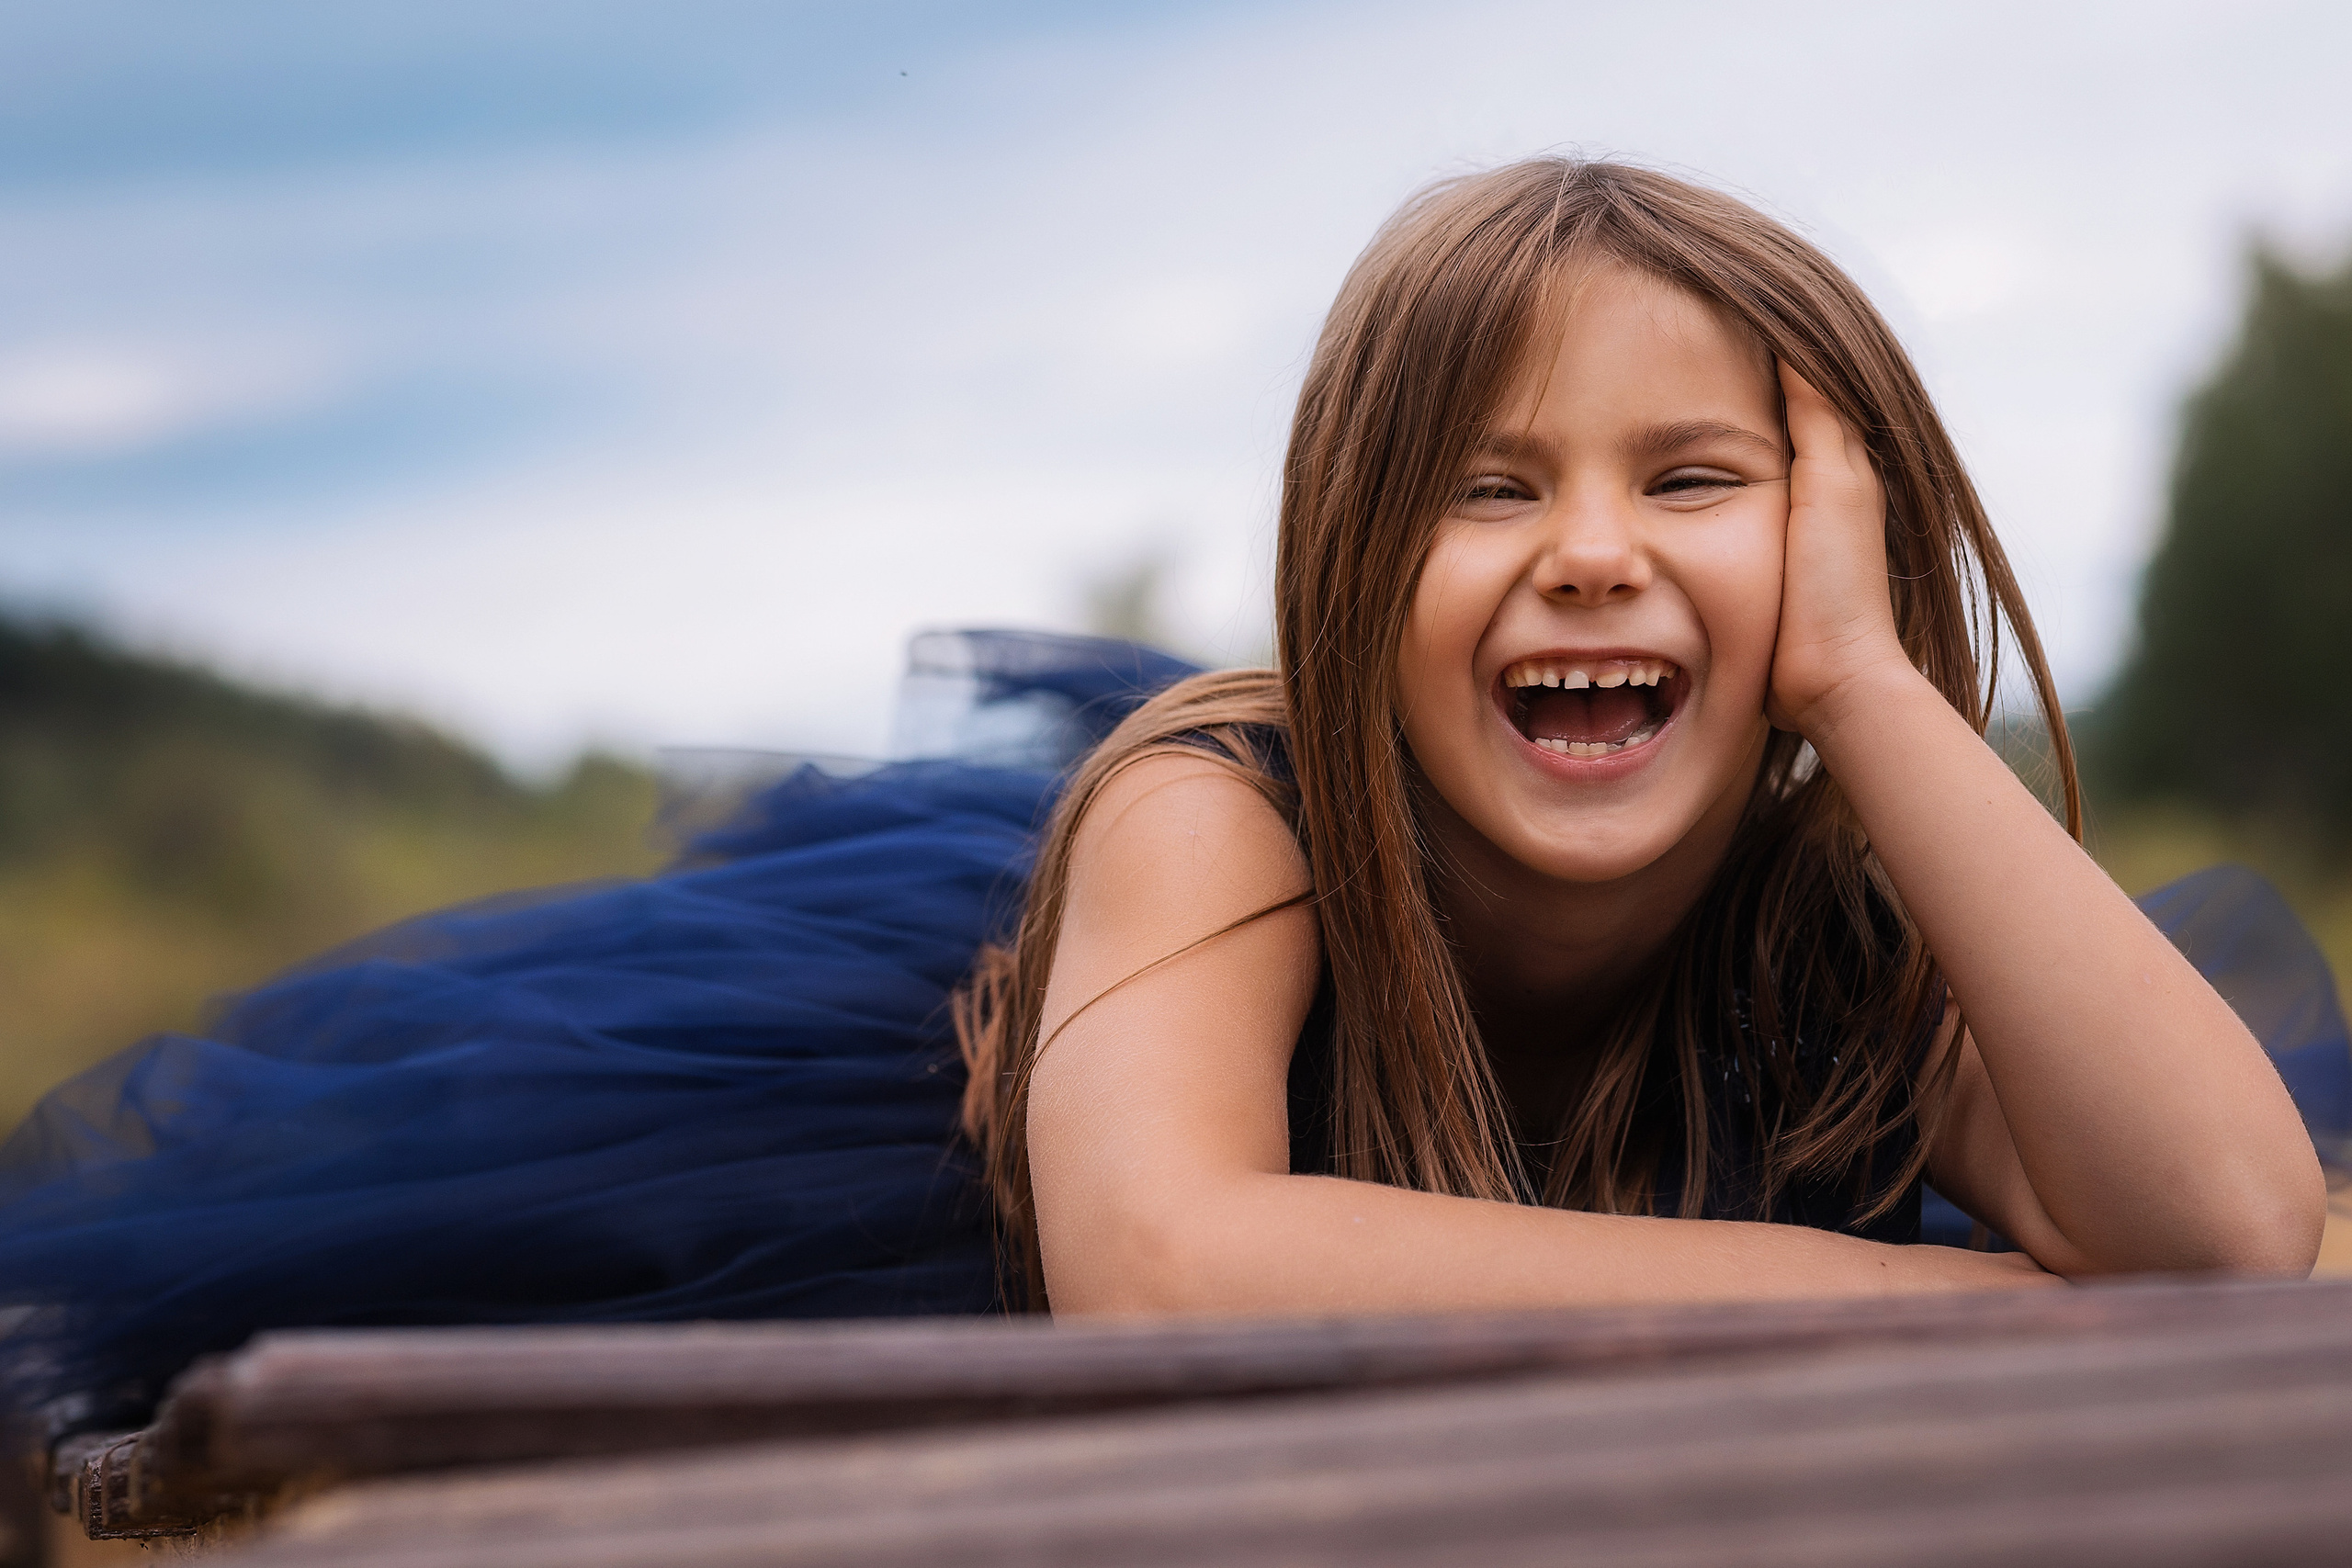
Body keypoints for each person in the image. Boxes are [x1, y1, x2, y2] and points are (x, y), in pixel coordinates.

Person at [1, 160, 2339, 1436]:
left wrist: (1864, 682)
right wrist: (1913, 1299)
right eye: (1481, 485)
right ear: (1341, 569)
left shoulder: (1826, 892)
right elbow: (1167, 1263)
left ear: (1823, 539)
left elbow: (2229, 1229)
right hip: (883, 1203)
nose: (1591, 548)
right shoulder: (1226, 801)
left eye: (1696, 478)